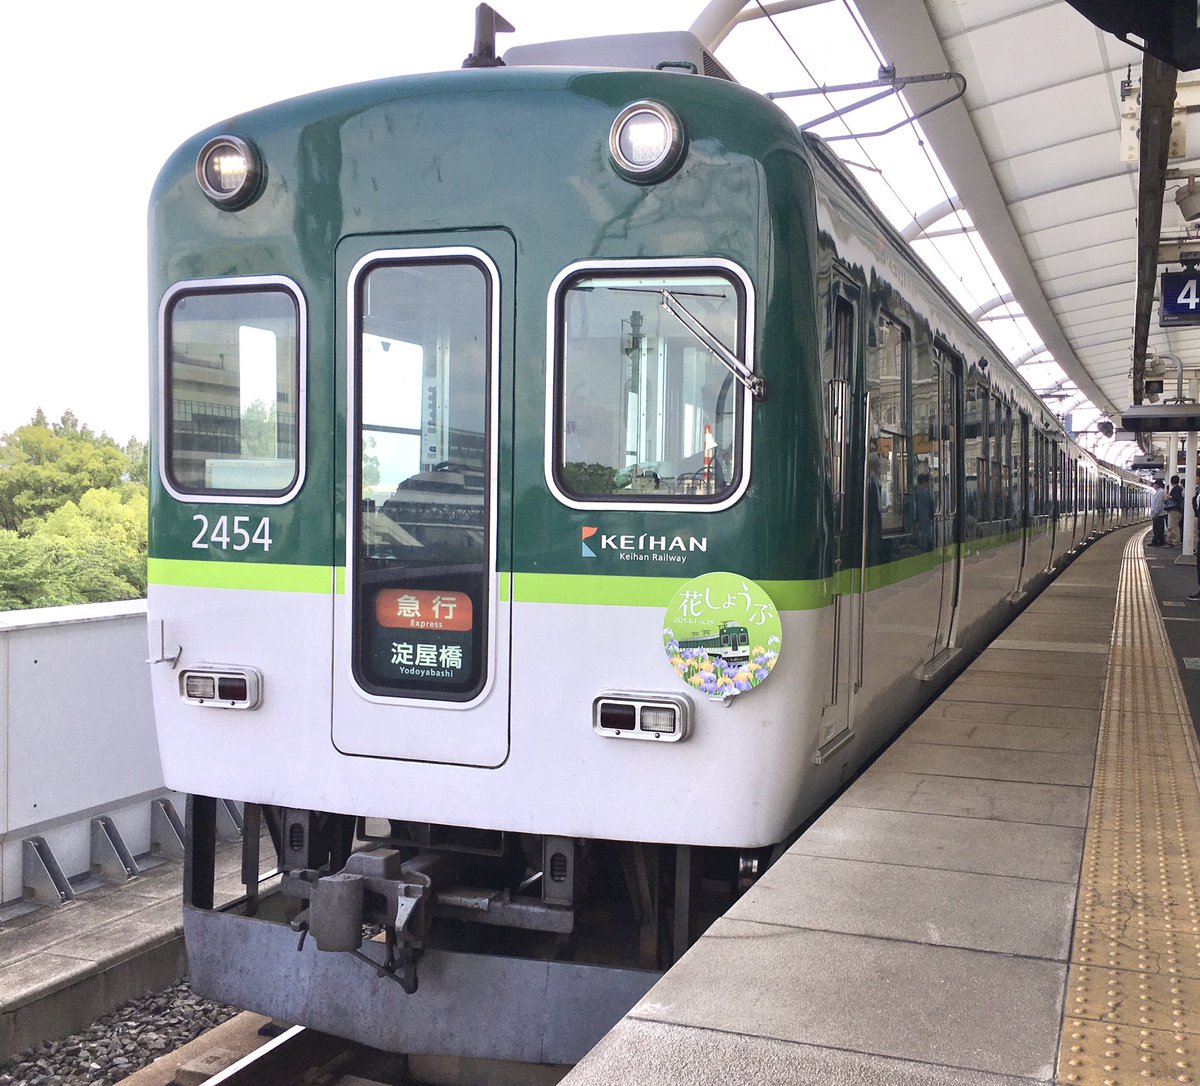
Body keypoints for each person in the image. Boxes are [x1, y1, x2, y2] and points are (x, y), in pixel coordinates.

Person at [1167, 474, 1184, 546]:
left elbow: (1176, 498)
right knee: (1174, 526)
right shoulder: (1180, 489)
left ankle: (1175, 541)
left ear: (1171, 482)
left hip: (1174, 510)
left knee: (1173, 526)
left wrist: (1169, 496)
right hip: (1178, 510)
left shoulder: (1176, 489)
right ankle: (1170, 540)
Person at [1149, 478, 1166, 546]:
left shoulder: (1160, 492)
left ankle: (1157, 542)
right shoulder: (1160, 492)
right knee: (1158, 528)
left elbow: (1158, 503)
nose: (1153, 486)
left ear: (1157, 485)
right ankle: (1158, 541)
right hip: (1159, 513)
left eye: (1154, 485)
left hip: (1159, 514)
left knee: (1157, 529)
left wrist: (1155, 512)